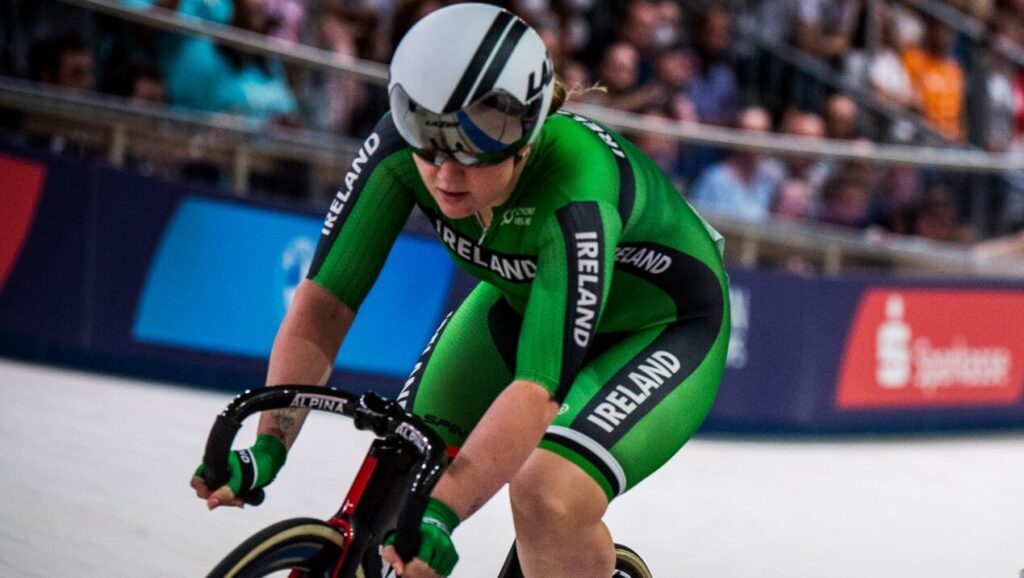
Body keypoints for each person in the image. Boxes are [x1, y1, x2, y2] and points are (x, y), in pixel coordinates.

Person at [191, 4, 731, 578]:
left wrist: (444, 513)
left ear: (524, 140)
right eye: (432, 150)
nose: (447, 176)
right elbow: (327, 302)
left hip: (662, 327)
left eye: (474, 155)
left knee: (546, 495)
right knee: (406, 456)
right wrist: (269, 446)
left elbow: (537, 386)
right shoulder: (401, 144)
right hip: (529, 302)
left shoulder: (576, 189)